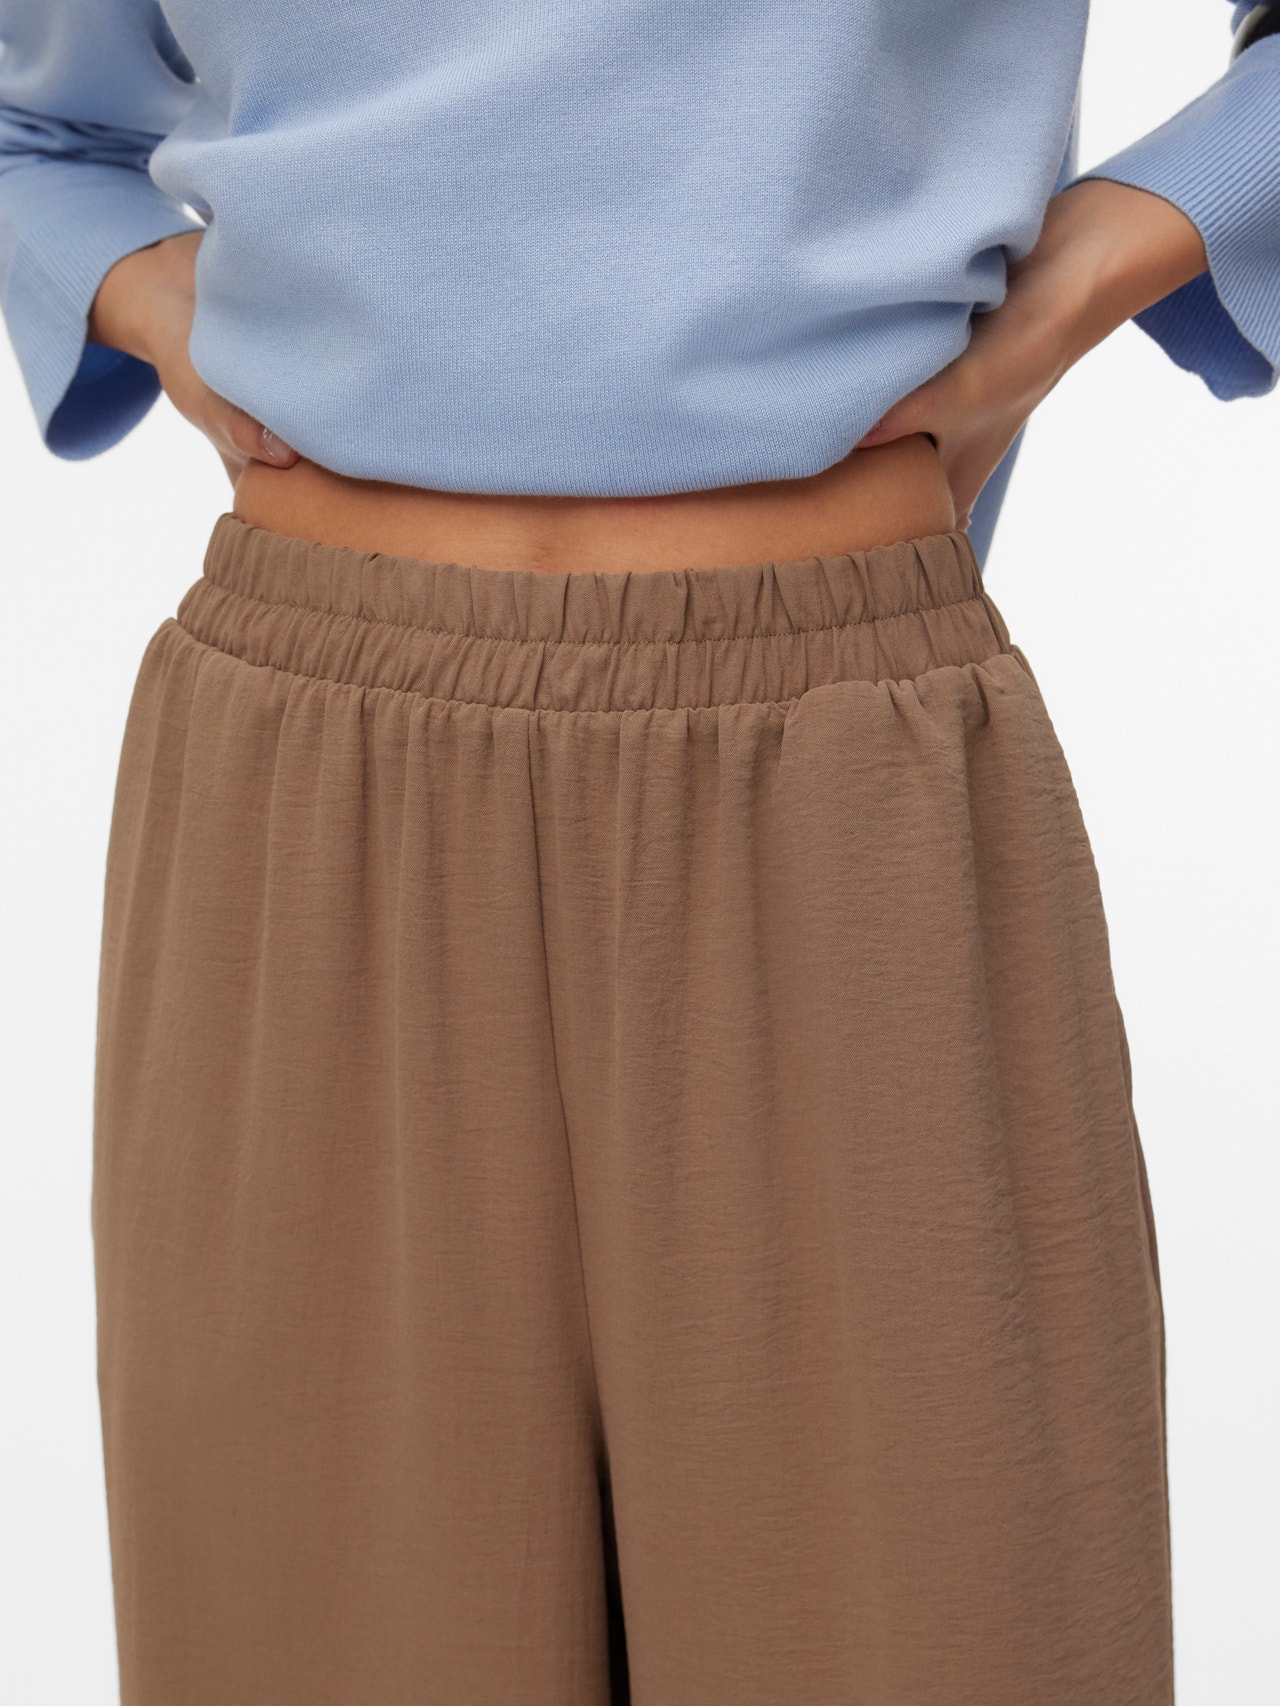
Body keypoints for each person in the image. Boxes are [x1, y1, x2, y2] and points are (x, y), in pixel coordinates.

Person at [2, 4, 1277, 1702]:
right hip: (312, 808)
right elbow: (34, 113)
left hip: (838, 788)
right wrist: (139, 289)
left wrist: (1095, 269)